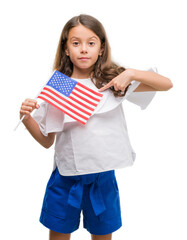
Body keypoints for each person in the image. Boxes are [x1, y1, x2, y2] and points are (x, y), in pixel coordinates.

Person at [19, 14, 173, 240]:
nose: (83, 49)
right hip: (65, 177)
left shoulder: (111, 81)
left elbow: (166, 84)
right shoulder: (60, 84)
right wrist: (26, 117)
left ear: (101, 48)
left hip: (102, 176)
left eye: (91, 43)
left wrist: (129, 73)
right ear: (66, 49)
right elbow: (46, 141)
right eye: (76, 43)